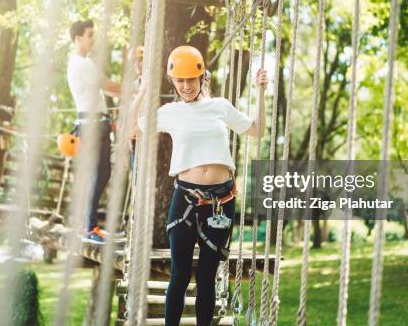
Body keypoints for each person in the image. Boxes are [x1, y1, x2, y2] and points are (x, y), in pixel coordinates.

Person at [131, 45, 268, 325]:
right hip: (186, 201)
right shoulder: (170, 112)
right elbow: (131, 128)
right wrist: (143, 90)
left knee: (207, 274)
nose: (185, 86)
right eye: (179, 81)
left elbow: (257, 130)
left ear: (202, 77)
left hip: (222, 202)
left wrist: (261, 92)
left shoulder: (220, 107)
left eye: (190, 80)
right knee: (179, 274)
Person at [67, 19, 121, 243]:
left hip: (96, 123)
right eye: (89, 34)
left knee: (100, 174)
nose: (93, 39)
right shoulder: (81, 64)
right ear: (78, 38)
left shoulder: (82, 62)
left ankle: (88, 225)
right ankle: (88, 227)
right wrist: (141, 91)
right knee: (98, 174)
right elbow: (111, 87)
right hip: (91, 126)